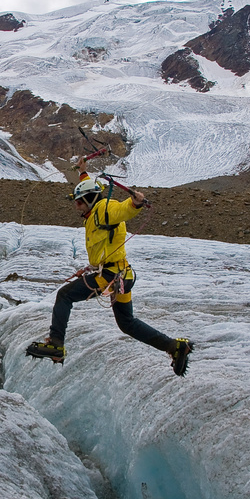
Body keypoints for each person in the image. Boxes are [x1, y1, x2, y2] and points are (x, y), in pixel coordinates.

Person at [26, 157, 193, 376]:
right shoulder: (95, 208)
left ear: (89, 200)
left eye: (78, 201)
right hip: (122, 275)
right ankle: (174, 347)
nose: (76, 206)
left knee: (65, 295)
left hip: (111, 277)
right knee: (127, 323)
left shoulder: (104, 208)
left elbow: (121, 209)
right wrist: (83, 173)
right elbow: (92, 189)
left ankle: (56, 343)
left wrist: (134, 204)